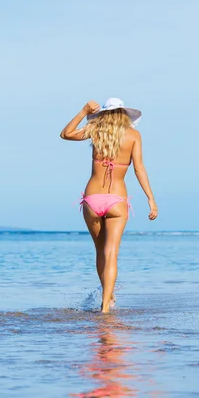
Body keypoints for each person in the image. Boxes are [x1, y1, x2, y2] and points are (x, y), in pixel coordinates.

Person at [60, 98, 157, 313]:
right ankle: (105, 307)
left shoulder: (95, 130)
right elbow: (139, 169)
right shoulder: (133, 136)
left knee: (99, 251)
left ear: (103, 114)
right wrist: (150, 198)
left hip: (92, 199)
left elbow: (65, 134)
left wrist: (83, 110)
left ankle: (108, 294)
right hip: (117, 199)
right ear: (124, 114)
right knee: (111, 252)